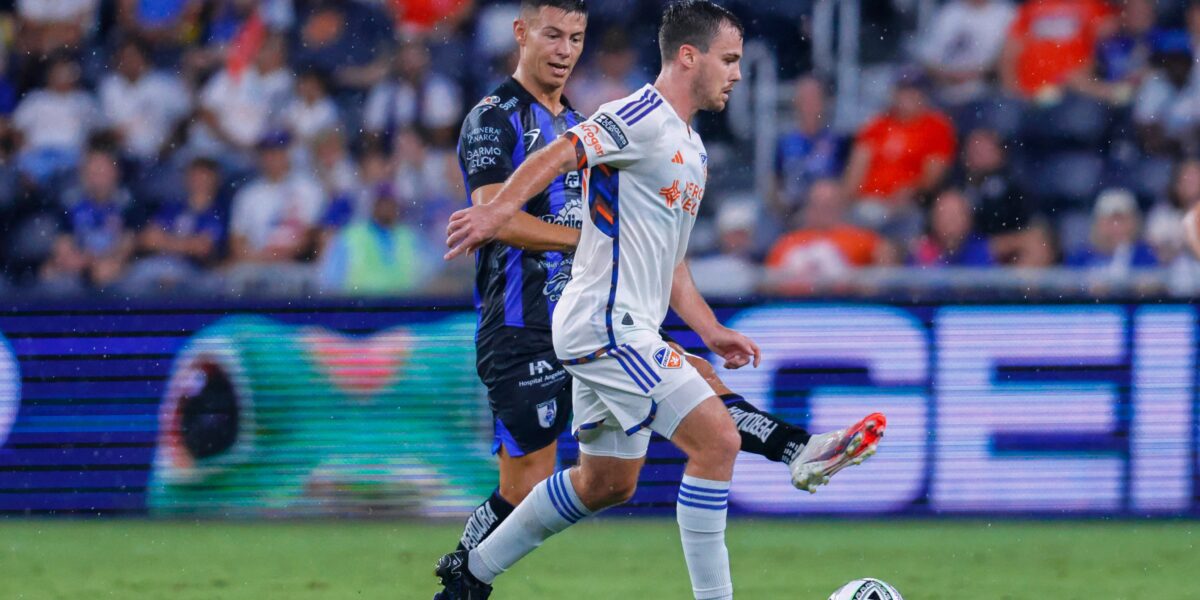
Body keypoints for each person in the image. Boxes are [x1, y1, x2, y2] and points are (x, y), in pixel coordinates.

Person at [437, 3, 885, 598]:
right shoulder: (633, 114)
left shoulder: (692, 151)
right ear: (688, 56)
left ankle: (468, 577)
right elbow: (560, 153)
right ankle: (796, 450)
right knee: (714, 440)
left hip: (613, 324)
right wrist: (497, 209)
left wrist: (709, 326)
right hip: (591, 324)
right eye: (729, 60)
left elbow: (670, 259)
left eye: (740, 62)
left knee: (608, 482)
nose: (738, 75)